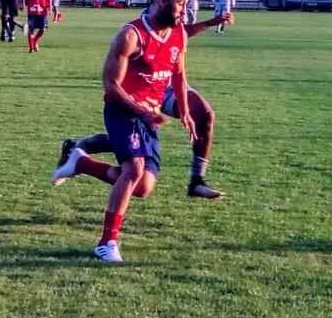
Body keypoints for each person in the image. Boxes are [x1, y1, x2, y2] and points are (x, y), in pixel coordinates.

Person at [51, 0, 198, 263]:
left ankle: (79, 161)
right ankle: (106, 243)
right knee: (133, 171)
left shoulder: (178, 33)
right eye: (180, 4)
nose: (184, 10)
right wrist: (140, 111)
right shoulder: (131, 35)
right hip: (123, 110)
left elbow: (179, 75)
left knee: (143, 187)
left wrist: (185, 111)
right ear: (162, 1)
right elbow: (111, 85)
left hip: (148, 116)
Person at [55, 11, 235, 200]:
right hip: (143, 82)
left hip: (166, 80)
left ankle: (197, 180)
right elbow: (172, 31)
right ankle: (77, 150)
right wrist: (211, 22)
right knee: (133, 149)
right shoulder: (162, 0)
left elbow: (180, 33)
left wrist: (211, 22)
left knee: (205, 115)